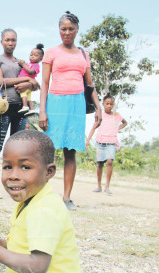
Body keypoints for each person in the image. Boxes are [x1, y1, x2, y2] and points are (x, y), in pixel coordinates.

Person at [0, 130, 82, 273]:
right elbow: (21, 248)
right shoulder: (30, 202)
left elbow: (37, 266)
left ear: (49, 172)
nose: (13, 176)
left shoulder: (44, 210)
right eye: (8, 167)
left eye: (25, 167)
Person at [39, 11, 102, 210]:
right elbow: (45, 83)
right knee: (47, 151)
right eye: (63, 29)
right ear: (59, 30)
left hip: (76, 105)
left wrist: (99, 108)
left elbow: (90, 84)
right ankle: (41, 195)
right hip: (55, 103)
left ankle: (66, 198)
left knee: (70, 152)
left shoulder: (83, 54)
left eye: (70, 29)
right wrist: (43, 110)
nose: (66, 33)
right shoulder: (51, 52)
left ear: (77, 30)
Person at [0, 28, 40, 199]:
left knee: (16, 150)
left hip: (21, 109)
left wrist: (29, 83)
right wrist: (26, 80)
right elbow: (1, 81)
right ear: (2, 41)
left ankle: (15, 186)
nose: (10, 43)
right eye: (7, 40)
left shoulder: (21, 62)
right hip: (4, 108)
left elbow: (35, 84)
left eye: (13, 40)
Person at [86, 94, 127, 194]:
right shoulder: (100, 115)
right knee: (100, 164)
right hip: (101, 143)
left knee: (109, 162)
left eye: (111, 104)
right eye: (107, 104)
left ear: (113, 105)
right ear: (103, 104)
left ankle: (107, 187)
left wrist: (117, 128)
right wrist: (87, 141)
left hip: (111, 142)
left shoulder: (116, 116)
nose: (109, 106)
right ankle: (99, 186)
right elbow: (93, 128)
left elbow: (125, 122)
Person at [17, 43, 44, 116]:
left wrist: (23, 65)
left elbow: (30, 72)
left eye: (35, 55)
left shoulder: (36, 66)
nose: (32, 57)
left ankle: (25, 106)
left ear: (41, 58)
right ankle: (32, 109)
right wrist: (21, 63)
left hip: (26, 83)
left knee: (23, 94)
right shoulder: (29, 64)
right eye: (31, 55)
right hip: (28, 83)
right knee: (28, 97)